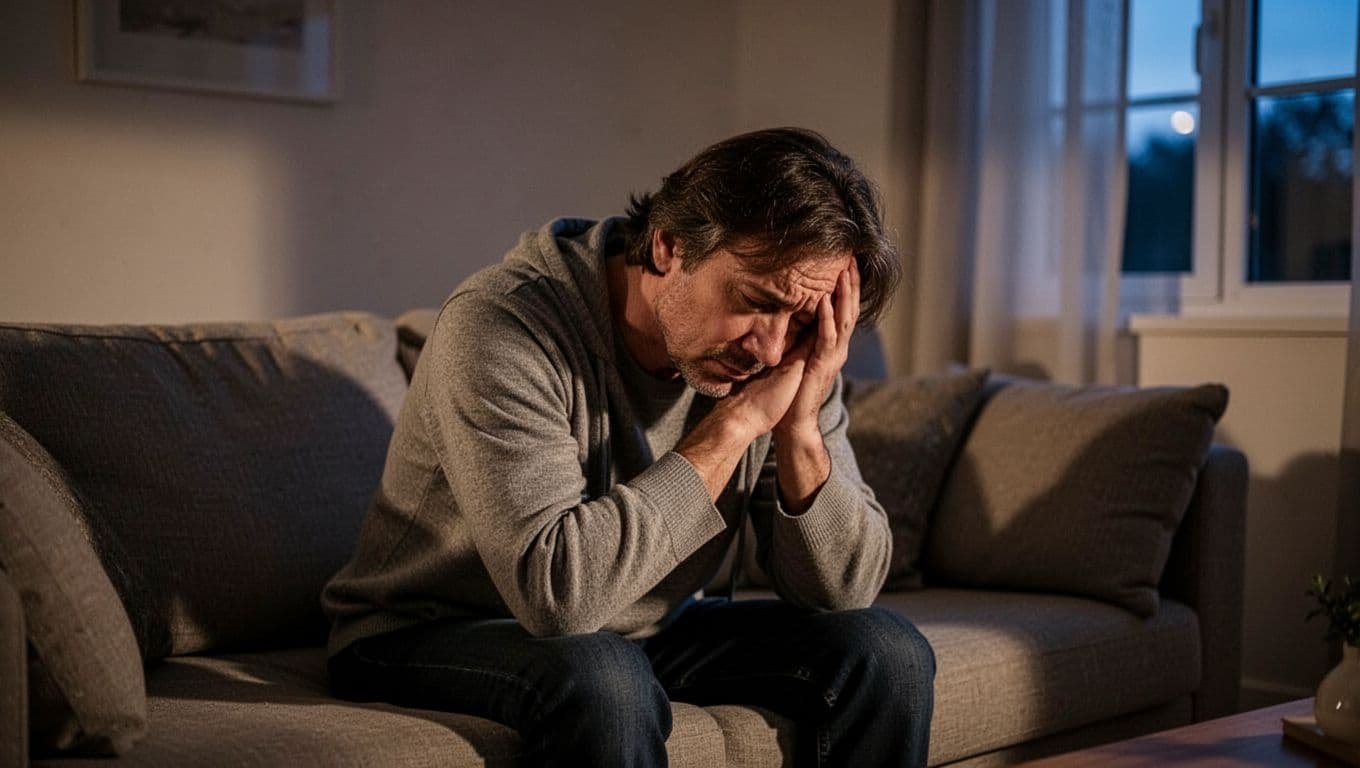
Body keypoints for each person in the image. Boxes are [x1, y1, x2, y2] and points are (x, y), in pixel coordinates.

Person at [322, 127, 935, 767]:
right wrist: (733, 428)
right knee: (605, 681)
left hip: (641, 629)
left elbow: (846, 591)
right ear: (668, 247)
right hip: (429, 626)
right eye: (755, 302)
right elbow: (558, 596)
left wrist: (800, 429)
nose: (772, 349)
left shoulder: (784, 363)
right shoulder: (502, 327)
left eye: (804, 324)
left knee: (887, 654)